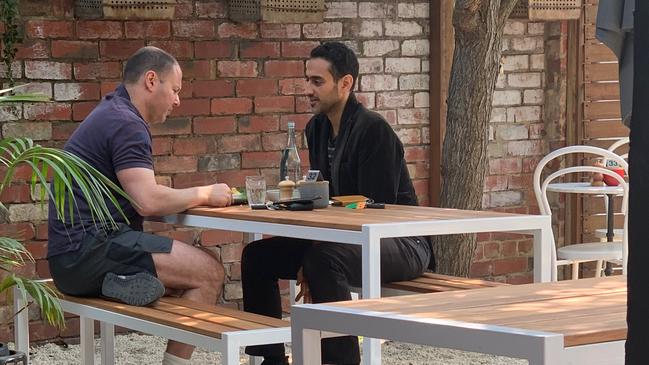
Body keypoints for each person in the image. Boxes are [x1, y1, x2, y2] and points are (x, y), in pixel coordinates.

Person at [241, 42, 434, 365]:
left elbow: (375, 209)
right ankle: (269, 359)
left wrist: (311, 254)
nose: (308, 90)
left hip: (401, 241)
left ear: (346, 84)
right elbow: (323, 197)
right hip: (339, 241)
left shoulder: (374, 130)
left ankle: (341, 361)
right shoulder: (315, 129)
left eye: (317, 82)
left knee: (321, 260)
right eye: (307, 80)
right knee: (257, 257)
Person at [47, 46, 232, 365]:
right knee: (209, 272)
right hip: (93, 249)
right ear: (151, 80)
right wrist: (206, 192)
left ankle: (118, 283)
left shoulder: (111, 110)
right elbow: (147, 200)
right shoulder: (126, 123)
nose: (177, 100)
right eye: (174, 89)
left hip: (69, 258)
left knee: (195, 267)